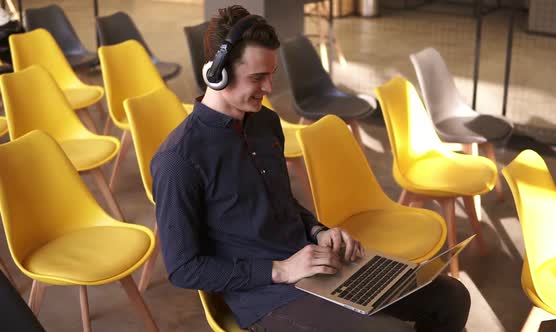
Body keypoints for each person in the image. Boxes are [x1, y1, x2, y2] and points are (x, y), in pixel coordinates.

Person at [151, 5, 470, 331]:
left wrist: (318, 231)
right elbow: (183, 268)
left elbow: (281, 202)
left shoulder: (265, 122)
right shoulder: (178, 160)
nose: (269, 88)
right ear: (217, 73)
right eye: (258, 78)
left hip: (317, 263)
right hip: (267, 296)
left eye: (271, 75)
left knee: (451, 296)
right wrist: (280, 270)